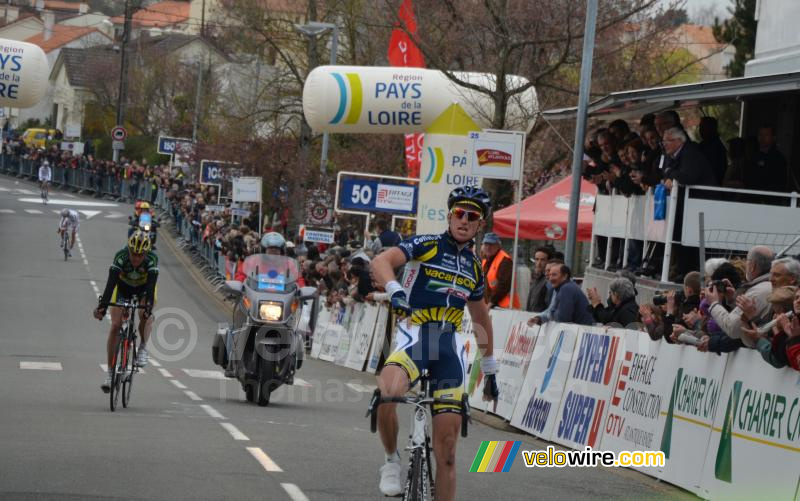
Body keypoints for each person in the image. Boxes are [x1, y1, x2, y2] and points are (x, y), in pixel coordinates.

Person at [369, 186, 497, 500]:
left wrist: (491, 370)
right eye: (459, 213)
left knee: (449, 453)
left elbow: (481, 319)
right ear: (450, 215)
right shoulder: (426, 244)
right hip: (417, 337)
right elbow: (381, 261)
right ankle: (390, 460)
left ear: (481, 225)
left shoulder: (476, 269)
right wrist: (395, 288)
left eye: (472, 216)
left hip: (447, 351)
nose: (464, 220)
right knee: (388, 393)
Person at [93, 231, 158, 392]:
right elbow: (110, 284)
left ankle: (142, 347)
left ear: (145, 253)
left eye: (140, 255)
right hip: (123, 289)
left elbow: (150, 287)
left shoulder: (152, 259)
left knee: (144, 313)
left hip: (143, 290)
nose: (136, 258)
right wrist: (102, 307)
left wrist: (148, 308)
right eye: (133, 254)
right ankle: (109, 373)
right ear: (128, 250)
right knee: (115, 326)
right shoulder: (120, 256)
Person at [528, 264, 594, 326]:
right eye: (550, 275)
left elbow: (563, 318)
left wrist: (552, 313)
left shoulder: (566, 288)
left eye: (554, 275)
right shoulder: (562, 288)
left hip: (582, 331)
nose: (550, 278)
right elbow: (552, 311)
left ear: (565, 276)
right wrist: (539, 319)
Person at [480, 232, 520, 309]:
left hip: (505, 307)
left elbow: (504, 285)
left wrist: (491, 303)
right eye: (486, 244)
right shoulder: (485, 260)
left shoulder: (505, 261)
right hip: (492, 305)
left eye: (491, 244)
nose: (488, 247)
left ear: (498, 246)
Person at [526, 246, 553, 313]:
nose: (539, 263)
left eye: (542, 260)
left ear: (548, 261)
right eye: (537, 259)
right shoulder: (535, 278)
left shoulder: (550, 280)